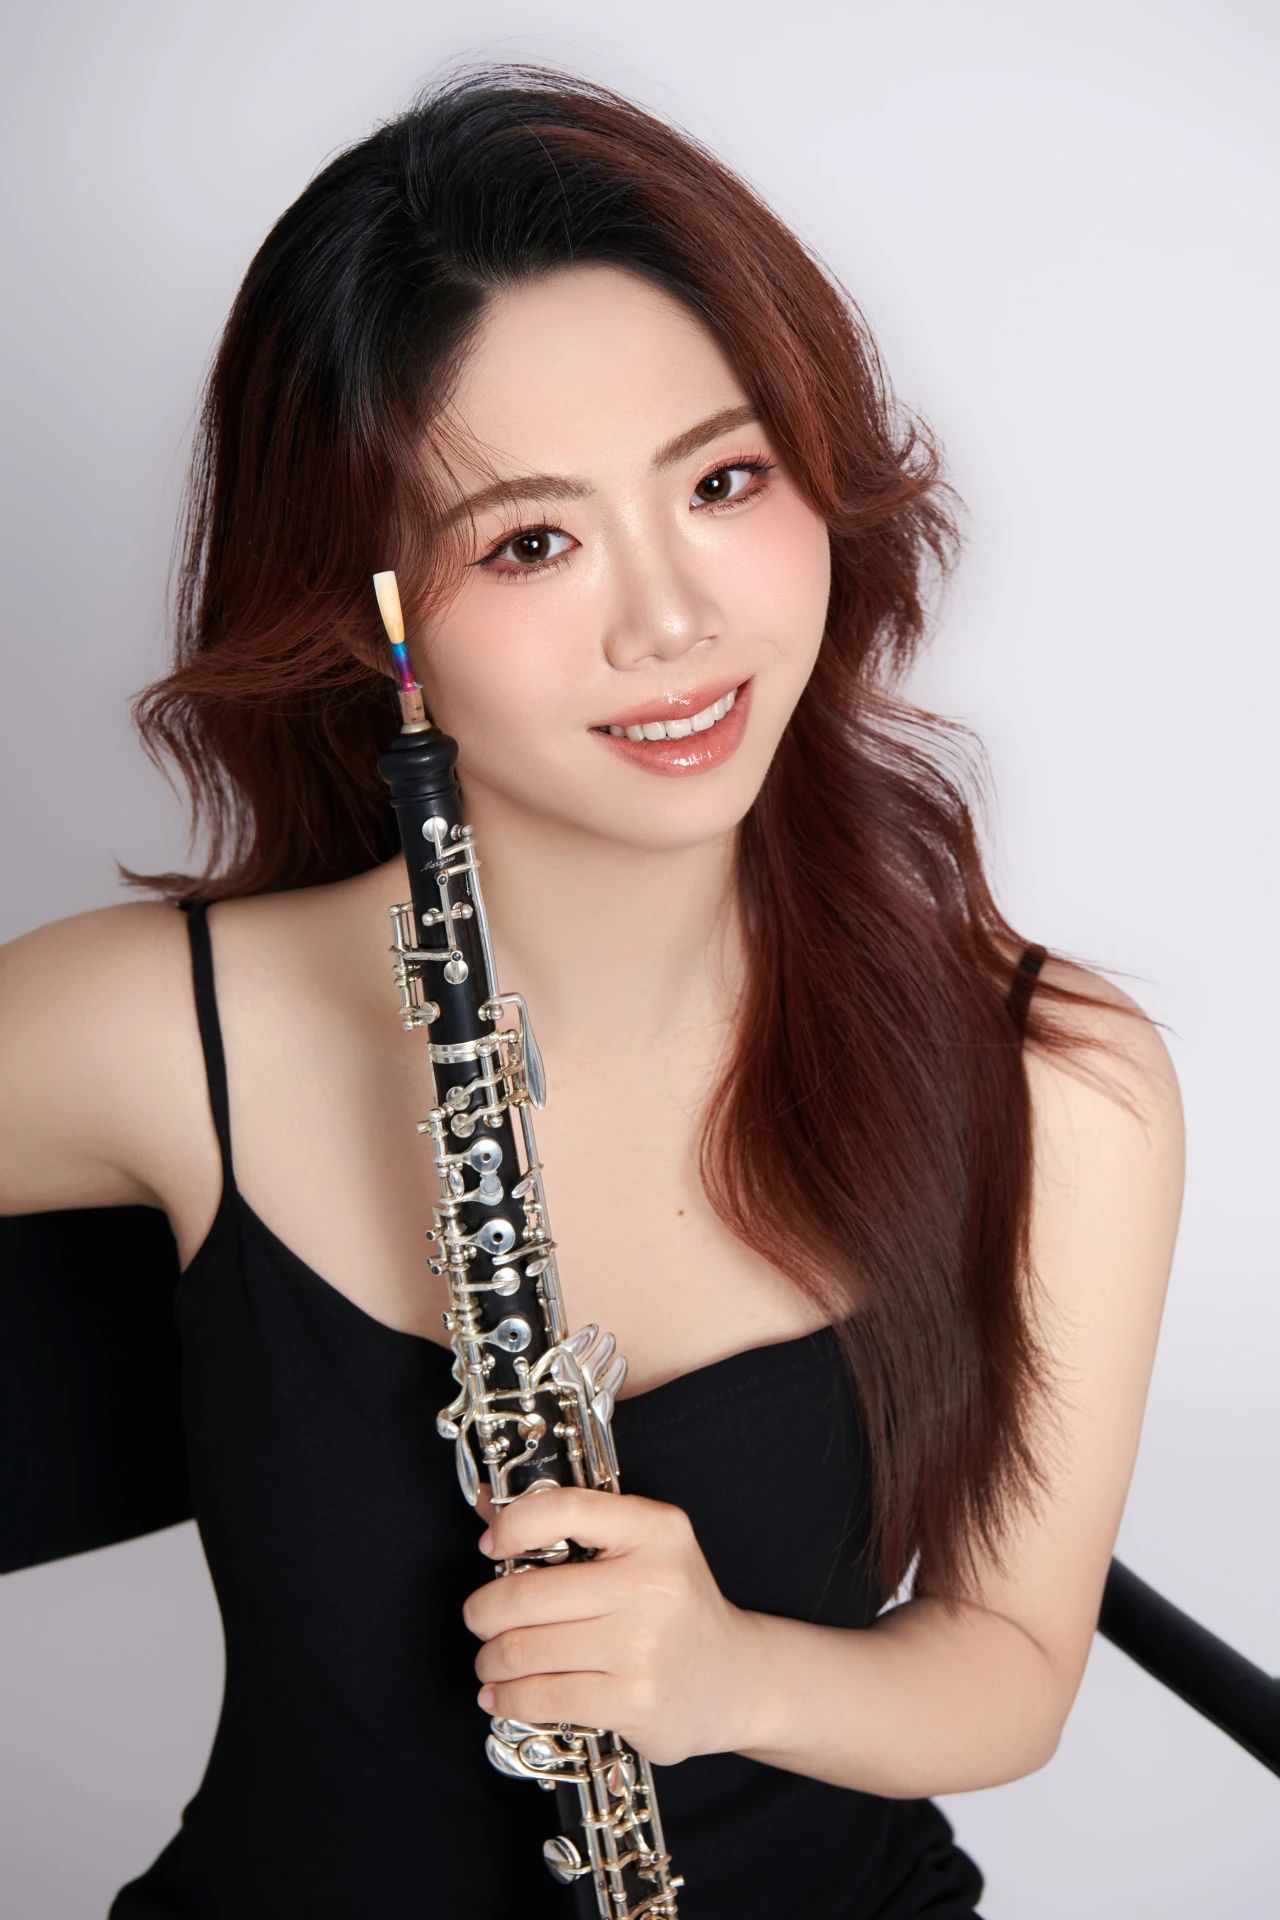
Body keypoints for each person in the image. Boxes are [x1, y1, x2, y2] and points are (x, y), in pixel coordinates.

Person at [0, 58, 1184, 1920]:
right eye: (531, 541)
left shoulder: (1053, 1076)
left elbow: (1013, 1672)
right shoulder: (162, 1032)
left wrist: (724, 1676)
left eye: (724, 480)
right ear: (372, 619)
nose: (672, 620)